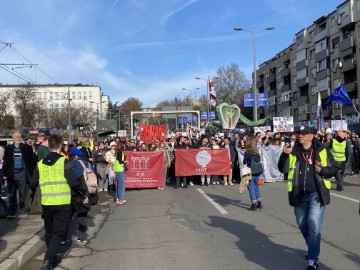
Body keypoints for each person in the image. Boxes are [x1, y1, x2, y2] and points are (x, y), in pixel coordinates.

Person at [278, 126, 338, 270]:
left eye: (304, 134)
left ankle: (313, 259)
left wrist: (323, 170)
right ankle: (311, 247)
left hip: (316, 195)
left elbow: (335, 168)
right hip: (298, 195)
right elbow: (282, 169)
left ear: (312, 136)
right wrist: (284, 155)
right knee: (302, 224)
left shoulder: (323, 150)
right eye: (299, 133)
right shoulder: (293, 151)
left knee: (313, 225)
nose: (300, 136)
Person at [30, 134, 83, 270]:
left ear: (49, 145)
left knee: (49, 232)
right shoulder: (64, 162)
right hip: (62, 203)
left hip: (47, 203)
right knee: (59, 233)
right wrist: (81, 193)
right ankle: (47, 261)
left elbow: (33, 183)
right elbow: (73, 182)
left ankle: (52, 258)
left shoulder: (40, 164)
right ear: (60, 146)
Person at [3, 131, 37, 218]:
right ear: (13, 138)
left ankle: (23, 211)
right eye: (17, 137)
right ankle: (12, 212)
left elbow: (32, 161)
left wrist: (33, 172)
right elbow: (5, 162)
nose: (18, 138)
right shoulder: (8, 149)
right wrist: (4, 174)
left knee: (23, 194)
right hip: (12, 174)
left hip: (23, 173)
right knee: (12, 194)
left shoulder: (26, 148)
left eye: (20, 137)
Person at [69, 147, 91, 244]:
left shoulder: (73, 163)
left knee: (69, 213)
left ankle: (64, 238)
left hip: (76, 190)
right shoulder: (88, 163)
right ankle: (82, 236)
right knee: (83, 213)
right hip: (86, 190)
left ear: (75, 156)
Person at [243, 137, 264, 211]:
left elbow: (244, 162)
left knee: (251, 187)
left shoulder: (247, 153)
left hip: (250, 171)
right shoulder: (257, 152)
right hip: (257, 171)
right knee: (256, 186)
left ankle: (253, 203)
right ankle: (259, 202)